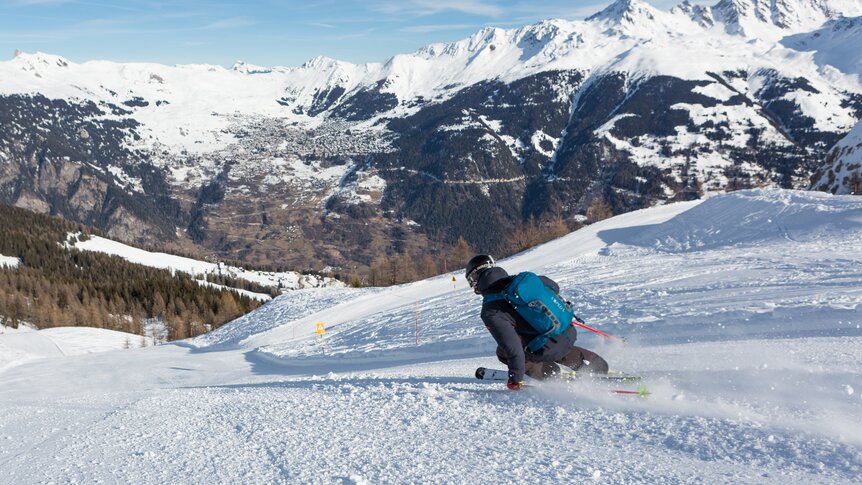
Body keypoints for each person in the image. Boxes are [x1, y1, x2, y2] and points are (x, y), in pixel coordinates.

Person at [466, 254, 608, 390]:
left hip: (549, 348)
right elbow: (554, 287)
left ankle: (550, 374)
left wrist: (516, 380)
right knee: (547, 336)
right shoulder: (522, 281)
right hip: (567, 330)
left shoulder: (490, 310)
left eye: (472, 280)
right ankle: (594, 363)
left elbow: (513, 349)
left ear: (477, 277)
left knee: (503, 351)